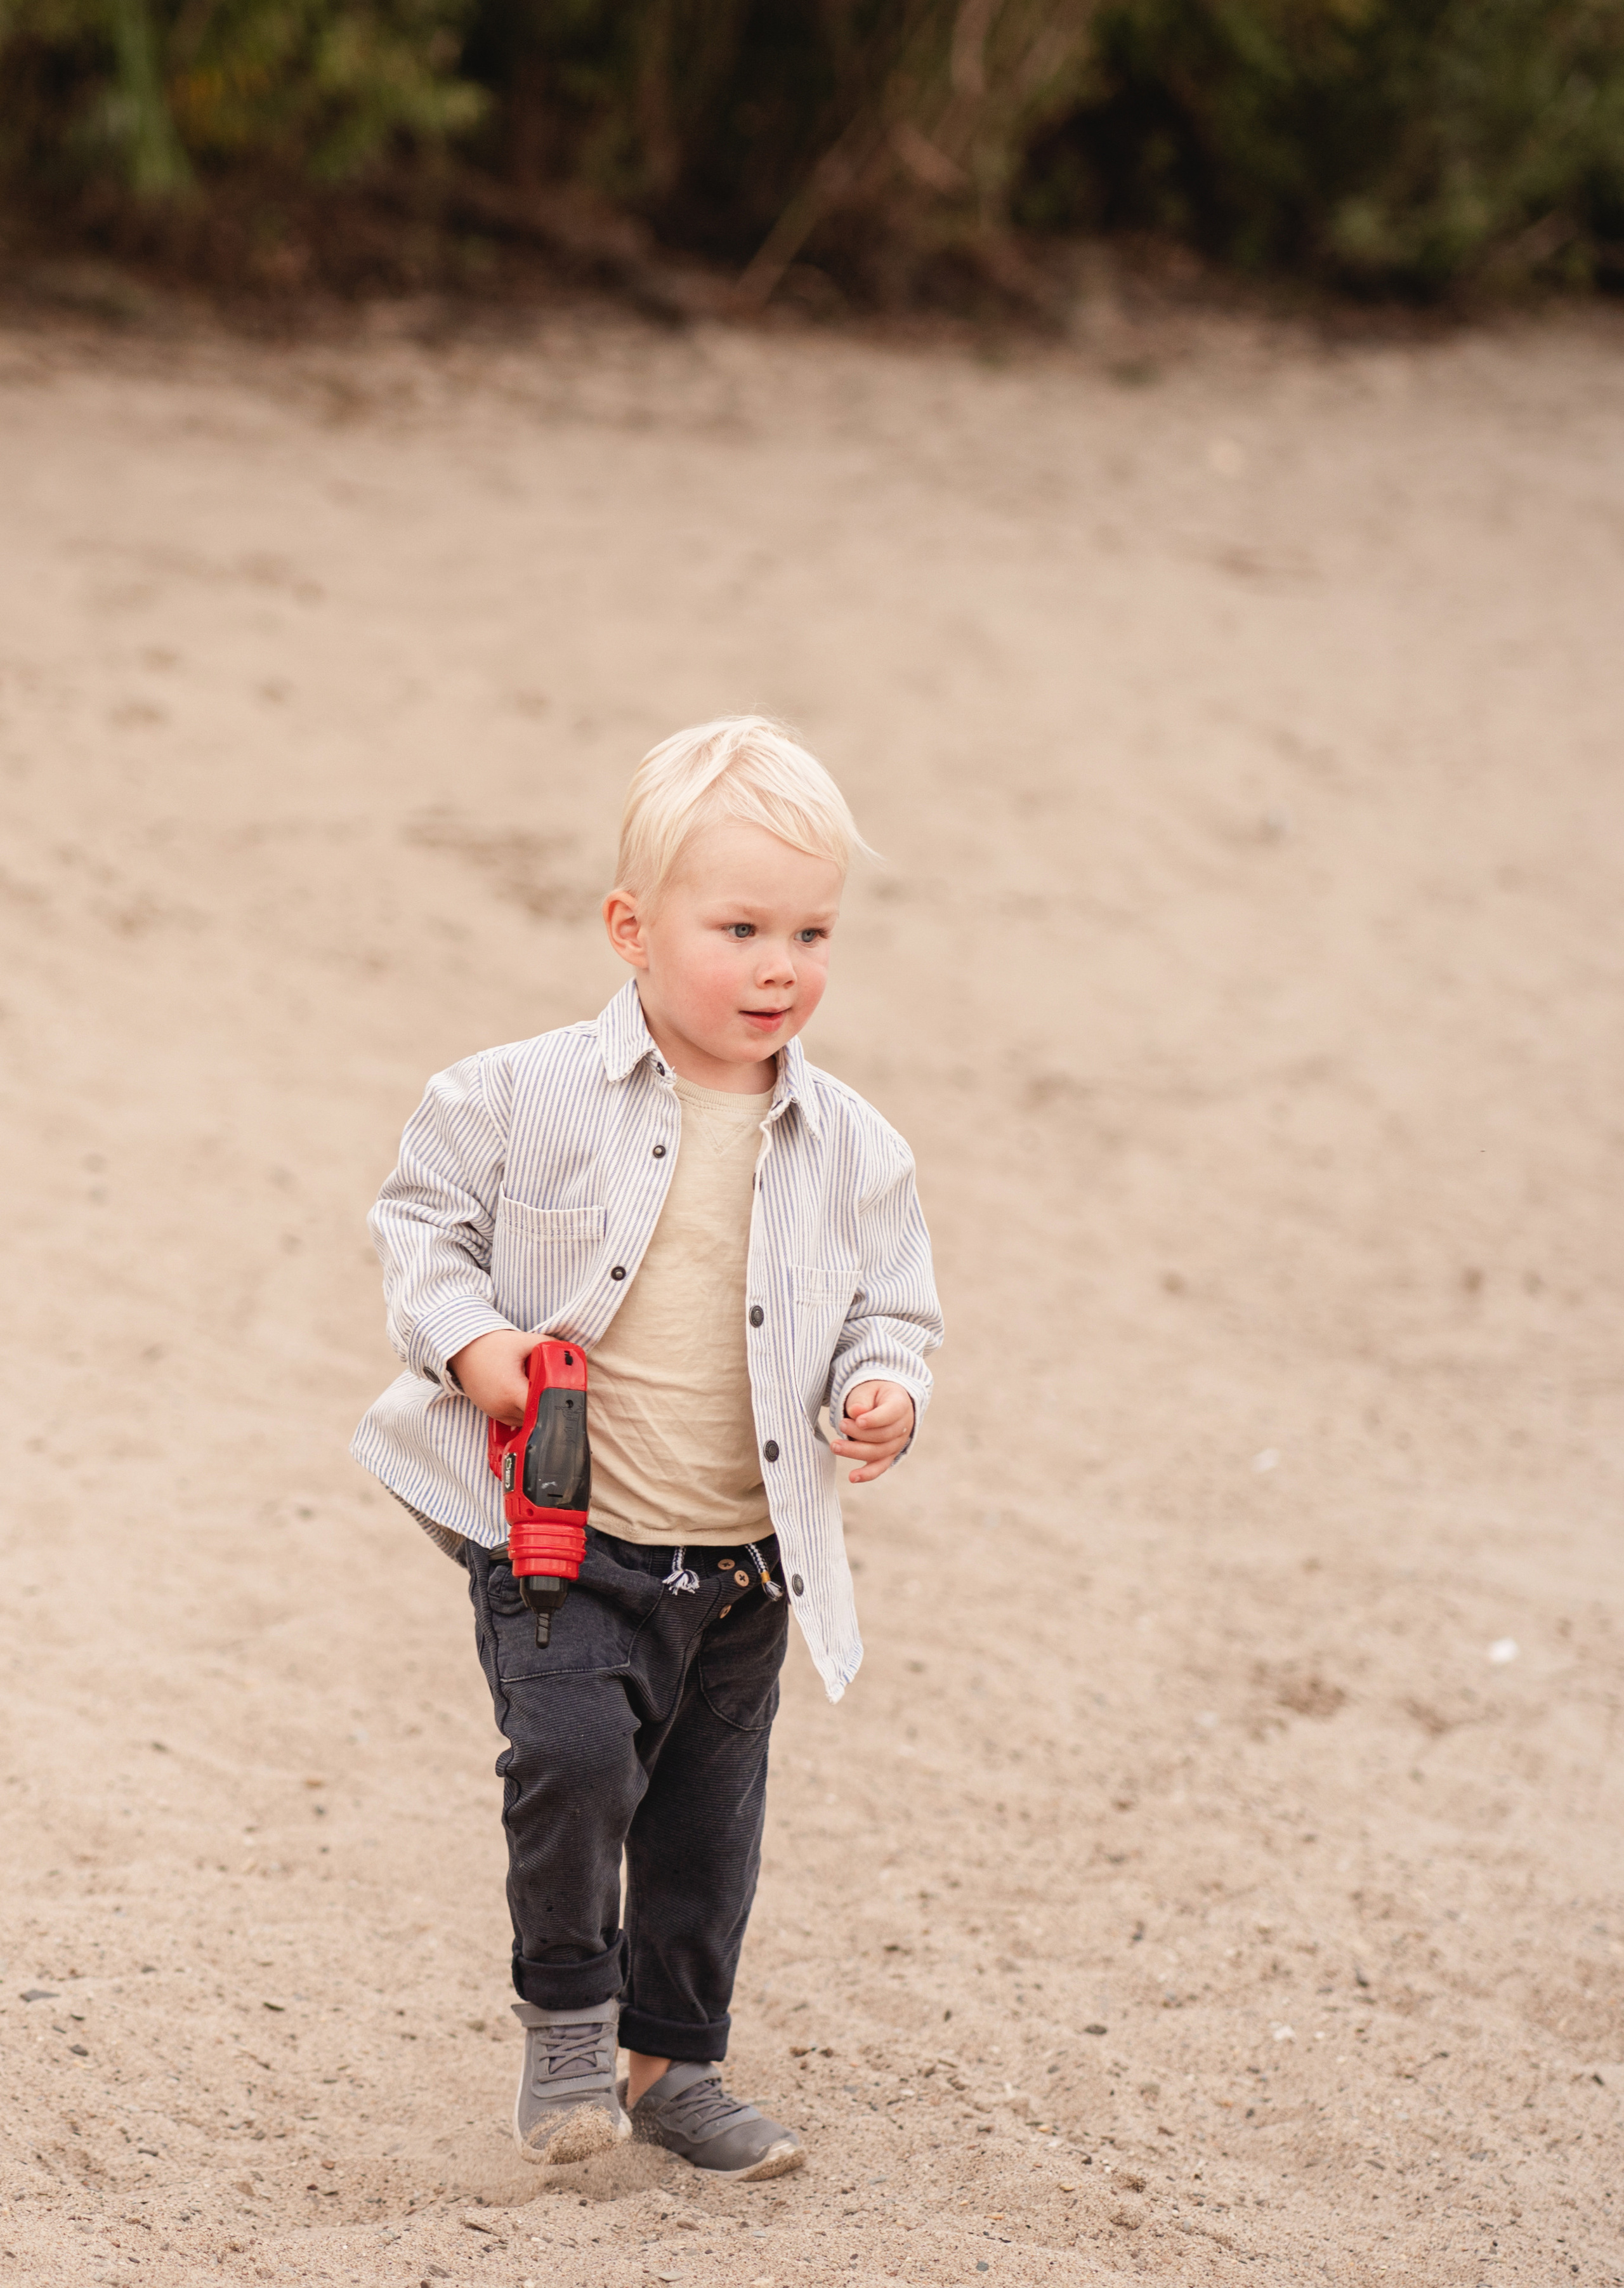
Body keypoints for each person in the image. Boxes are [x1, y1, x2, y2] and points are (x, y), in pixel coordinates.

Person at [352, 715, 942, 2182]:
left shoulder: (853, 1145)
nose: (778, 967)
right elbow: (419, 1226)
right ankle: (566, 2020)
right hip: (564, 1533)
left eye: (809, 931)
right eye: (737, 926)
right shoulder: (518, 1095)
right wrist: (473, 1344)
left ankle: (676, 2065)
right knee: (567, 1758)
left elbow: (893, 1305)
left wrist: (886, 1387)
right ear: (631, 928)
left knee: (706, 1816)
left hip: (744, 1559)